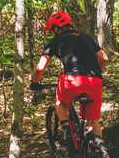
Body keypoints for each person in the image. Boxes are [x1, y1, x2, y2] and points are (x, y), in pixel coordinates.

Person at [31, 10, 109, 143]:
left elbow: (41, 67)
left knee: (60, 103)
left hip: (71, 80)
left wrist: (34, 81)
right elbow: (104, 58)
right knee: (93, 121)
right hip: (95, 80)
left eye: (52, 29)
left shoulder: (55, 41)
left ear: (56, 27)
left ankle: (66, 128)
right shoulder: (86, 37)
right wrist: (97, 72)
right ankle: (100, 154)